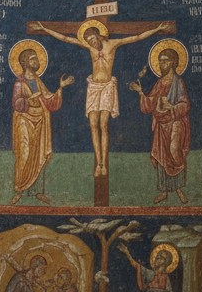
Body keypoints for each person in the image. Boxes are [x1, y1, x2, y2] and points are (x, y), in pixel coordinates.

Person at [37, 20, 169, 178]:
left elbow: (136, 37)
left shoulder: (113, 44)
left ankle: (104, 164)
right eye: (89, 42)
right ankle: (98, 162)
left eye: (93, 39)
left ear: (99, 36)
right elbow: (66, 38)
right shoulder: (90, 47)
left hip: (107, 87)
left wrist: (157, 29)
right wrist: (45, 28)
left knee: (103, 125)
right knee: (93, 125)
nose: (92, 43)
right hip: (93, 88)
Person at [10, 46, 73, 205]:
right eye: (33, 59)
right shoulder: (19, 83)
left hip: (40, 120)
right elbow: (17, 104)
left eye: (36, 59)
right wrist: (29, 100)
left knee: (39, 154)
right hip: (24, 120)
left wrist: (61, 87)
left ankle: (37, 192)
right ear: (25, 62)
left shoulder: (38, 81)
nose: (36, 61)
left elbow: (48, 99)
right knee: (25, 154)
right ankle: (19, 190)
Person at [130, 46, 190, 205]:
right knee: (162, 156)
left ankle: (179, 189)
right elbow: (150, 103)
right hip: (160, 126)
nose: (161, 65)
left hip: (175, 123)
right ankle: (164, 191)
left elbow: (185, 104)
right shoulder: (159, 82)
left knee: (175, 153)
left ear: (172, 62)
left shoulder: (178, 82)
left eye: (165, 61)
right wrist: (140, 92)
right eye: (160, 62)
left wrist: (172, 107)